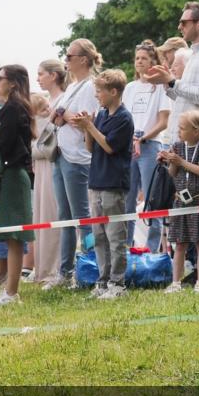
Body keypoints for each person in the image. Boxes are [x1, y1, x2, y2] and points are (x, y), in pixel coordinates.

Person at [146, 2, 199, 283]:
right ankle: (192, 268)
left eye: (184, 22)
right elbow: (185, 98)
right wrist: (167, 85)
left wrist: (172, 81)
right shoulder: (193, 55)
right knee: (182, 206)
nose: (180, 27)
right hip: (181, 141)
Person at [72, 69, 134, 299]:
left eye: (100, 91)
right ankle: (103, 281)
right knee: (98, 236)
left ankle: (118, 283)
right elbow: (91, 148)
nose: (97, 95)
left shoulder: (124, 119)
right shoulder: (101, 114)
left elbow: (109, 146)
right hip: (96, 182)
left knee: (115, 236)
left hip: (113, 184)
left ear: (114, 92)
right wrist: (86, 129)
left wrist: (90, 127)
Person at [47, 39, 101, 289]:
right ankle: (66, 270)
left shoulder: (90, 87)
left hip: (78, 156)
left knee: (82, 216)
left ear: (83, 59)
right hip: (61, 152)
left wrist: (63, 115)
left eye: (69, 56)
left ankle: (90, 267)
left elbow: (86, 122)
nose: (66, 60)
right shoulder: (72, 87)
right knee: (64, 216)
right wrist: (61, 116)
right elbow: (56, 116)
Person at [0, 65, 36, 308]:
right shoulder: (13, 108)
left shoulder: (13, 108)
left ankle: (12, 293)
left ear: (12, 82)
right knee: (10, 238)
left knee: (14, 236)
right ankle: (9, 291)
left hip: (13, 175)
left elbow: (3, 144)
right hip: (9, 175)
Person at [122, 41, 172, 251]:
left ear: (153, 61)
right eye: (137, 58)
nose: (139, 62)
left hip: (150, 144)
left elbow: (163, 122)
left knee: (153, 200)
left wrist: (142, 139)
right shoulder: (130, 88)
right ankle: (126, 247)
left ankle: (152, 249)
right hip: (130, 145)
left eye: (143, 58)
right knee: (128, 199)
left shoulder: (160, 87)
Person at [162, 112, 199, 294]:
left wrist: (181, 162)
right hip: (181, 201)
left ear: (196, 130)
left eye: (183, 128)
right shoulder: (177, 146)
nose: (179, 131)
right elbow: (172, 172)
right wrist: (167, 160)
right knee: (179, 243)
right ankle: (175, 282)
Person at [30, 90, 60, 286]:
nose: (47, 110)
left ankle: (50, 268)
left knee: (50, 215)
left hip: (50, 171)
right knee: (41, 218)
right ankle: (41, 267)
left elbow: (44, 150)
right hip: (40, 172)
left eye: (47, 106)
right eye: (42, 108)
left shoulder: (48, 124)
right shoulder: (36, 124)